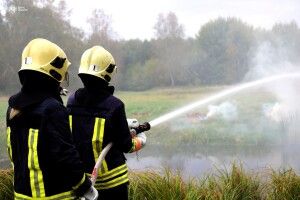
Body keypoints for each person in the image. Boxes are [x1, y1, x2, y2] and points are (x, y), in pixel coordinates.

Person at [6, 38, 98, 200]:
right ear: (53, 72)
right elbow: (66, 156)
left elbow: (14, 155)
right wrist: (84, 186)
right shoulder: (52, 109)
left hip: (20, 195)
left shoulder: (13, 109)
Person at [67, 46, 148, 200]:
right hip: (113, 185)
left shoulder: (71, 102)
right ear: (108, 73)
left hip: (85, 184)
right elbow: (126, 145)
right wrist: (141, 140)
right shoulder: (115, 105)